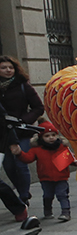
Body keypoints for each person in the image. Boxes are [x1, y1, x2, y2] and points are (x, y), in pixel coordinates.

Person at [0, 55, 44, 203]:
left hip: (21, 131)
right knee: (8, 166)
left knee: (21, 163)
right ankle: (21, 190)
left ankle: (24, 196)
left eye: (10, 67)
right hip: (3, 134)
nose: (8, 70)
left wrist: (23, 120)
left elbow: (38, 108)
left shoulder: (23, 86)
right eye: (4, 68)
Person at [13, 121, 74, 220]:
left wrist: (74, 161)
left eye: (53, 135)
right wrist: (20, 153)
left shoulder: (61, 147)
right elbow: (28, 158)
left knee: (62, 194)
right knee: (47, 195)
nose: (51, 137)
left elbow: (69, 158)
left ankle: (66, 212)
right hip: (45, 177)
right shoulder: (37, 149)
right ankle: (47, 211)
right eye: (47, 136)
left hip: (61, 177)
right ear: (41, 137)